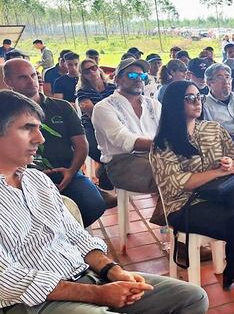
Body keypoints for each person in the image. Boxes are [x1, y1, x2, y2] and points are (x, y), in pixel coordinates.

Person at [0, 90, 207, 314]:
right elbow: (8, 280)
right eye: (27, 128)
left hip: (86, 279)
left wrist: (114, 271)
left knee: (190, 300)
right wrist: (98, 295)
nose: (39, 138)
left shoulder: (35, 179)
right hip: (29, 310)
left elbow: (77, 236)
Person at [150, 81, 234, 314]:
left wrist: (229, 164)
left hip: (222, 196)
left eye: (199, 97)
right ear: (175, 104)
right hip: (186, 205)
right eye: (189, 98)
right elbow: (180, 182)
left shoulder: (213, 129)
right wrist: (218, 172)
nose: (197, 102)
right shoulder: (163, 143)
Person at [3, 59, 107, 227]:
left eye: (33, 76)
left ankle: (68, 236)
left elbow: (81, 144)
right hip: (21, 178)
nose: (31, 81)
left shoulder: (62, 107)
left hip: (65, 172)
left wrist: (71, 171)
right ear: (8, 82)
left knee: (93, 204)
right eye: (23, 77)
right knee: (22, 217)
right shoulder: (5, 113)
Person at [92, 59, 161, 194]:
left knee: (191, 167)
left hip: (156, 155)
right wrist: (164, 145)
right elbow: (122, 139)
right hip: (122, 163)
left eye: (143, 76)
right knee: (173, 175)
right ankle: (166, 214)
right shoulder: (104, 107)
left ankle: (165, 213)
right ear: (117, 79)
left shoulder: (154, 104)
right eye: (132, 76)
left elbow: (166, 131)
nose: (139, 79)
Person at [75, 58, 117, 164]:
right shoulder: (82, 92)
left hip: (115, 121)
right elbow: (92, 112)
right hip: (92, 124)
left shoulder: (113, 88)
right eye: (86, 71)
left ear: (98, 69)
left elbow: (120, 107)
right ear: (83, 75)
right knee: (91, 146)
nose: (91, 72)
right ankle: (106, 165)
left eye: (93, 68)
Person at [202, 62, 234, 142]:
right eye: (220, 77)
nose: (226, 81)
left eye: (227, 77)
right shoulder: (204, 104)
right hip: (225, 144)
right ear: (209, 83)